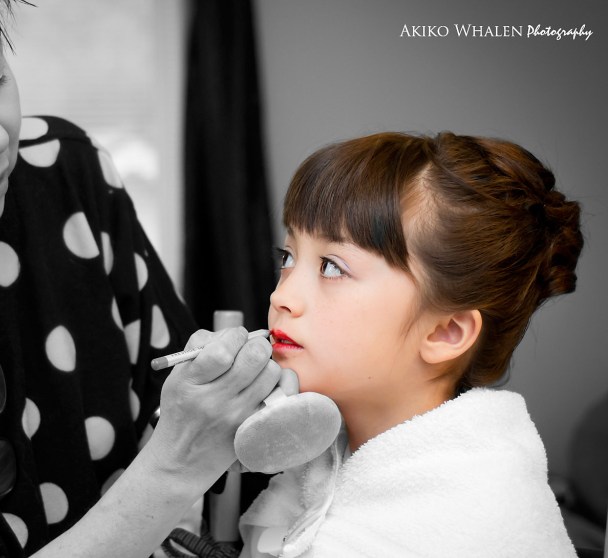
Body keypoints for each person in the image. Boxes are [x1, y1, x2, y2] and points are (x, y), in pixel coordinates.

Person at [0, 1, 293, 557]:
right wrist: (175, 465)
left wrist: (226, 397)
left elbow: (180, 398)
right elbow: (180, 451)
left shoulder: (63, 178)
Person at [239, 132, 583, 557]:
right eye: (287, 257)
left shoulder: (474, 518)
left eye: (331, 266)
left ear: (445, 333)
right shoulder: (323, 463)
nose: (281, 297)